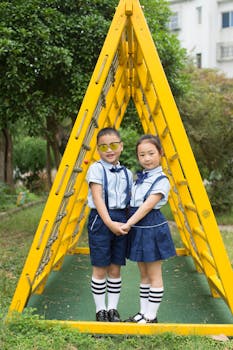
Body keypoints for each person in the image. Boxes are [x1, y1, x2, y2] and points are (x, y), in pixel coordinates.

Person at [122, 134, 176, 324]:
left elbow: (146, 207)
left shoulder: (162, 180)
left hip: (151, 227)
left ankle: (151, 317)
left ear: (160, 153)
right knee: (143, 274)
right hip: (139, 227)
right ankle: (143, 313)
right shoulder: (139, 179)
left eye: (151, 153)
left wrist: (127, 223)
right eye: (142, 155)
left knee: (154, 275)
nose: (147, 158)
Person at [86, 127, 133, 322]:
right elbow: (98, 199)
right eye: (103, 146)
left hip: (121, 219)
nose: (109, 150)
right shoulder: (96, 169)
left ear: (121, 146)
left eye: (114, 145)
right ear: (98, 149)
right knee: (100, 267)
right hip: (101, 219)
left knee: (115, 268)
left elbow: (130, 201)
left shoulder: (128, 173)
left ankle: (113, 309)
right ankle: (100, 310)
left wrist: (127, 223)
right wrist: (109, 223)